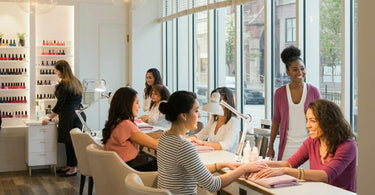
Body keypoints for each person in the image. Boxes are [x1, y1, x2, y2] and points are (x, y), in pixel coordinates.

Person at [157, 91, 266, 194]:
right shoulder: (184, 147)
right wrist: (245, 168)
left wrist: (222, 164)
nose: (199, 115)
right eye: (196, 111)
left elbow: (195, 169)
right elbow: (212, 185)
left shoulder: (164, 137)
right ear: (183, 116)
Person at [252, 99, 357, 192]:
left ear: (328, 122)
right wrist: (261, 164)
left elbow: (326, 175)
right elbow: (289, 164)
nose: (307, 125)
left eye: (312, 121)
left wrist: (284, 171)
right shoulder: (313, 141)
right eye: (307, 120)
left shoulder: (347, 146)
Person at [267, 45, 321, 161]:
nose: (300, 72)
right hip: (288, 148)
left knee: (309, 178)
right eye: (295, 69)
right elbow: (276, 120)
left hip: (309, 147)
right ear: (288, 72)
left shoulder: (314, 91)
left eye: (302, 68)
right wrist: (270, 145)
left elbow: (321, 120)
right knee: (286, 178)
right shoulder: (280, 93)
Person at [41, 60, 86, 177]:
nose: (56, 73)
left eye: (56, 70)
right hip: (78, 115)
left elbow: (60, 104)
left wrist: (50, 118)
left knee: (70, 142)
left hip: (69, 116)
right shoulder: (76, 82)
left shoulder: (64, 85)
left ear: (61, 70)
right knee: (72, 142)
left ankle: (73, 168)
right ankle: (70, 165)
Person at [102, 87, 161, 171]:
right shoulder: (126, 125)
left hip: (115, 169)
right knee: (165, 164)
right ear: (127, 104)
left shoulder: (117, 121)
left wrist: (165, 134)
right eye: (137, 103)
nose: (139, 106)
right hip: (126, 171)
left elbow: (141, 136)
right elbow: (155, 145)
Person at [186, 87, 240, 153]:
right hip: (213, 155)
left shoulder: (233, 121)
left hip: (227, 158)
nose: (213, 102)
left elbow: (226, 145)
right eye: (212, 99)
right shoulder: (214, 119)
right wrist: (186, 140)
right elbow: (201, 135)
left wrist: (202, 143)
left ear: (225, 101)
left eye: (216, 99)